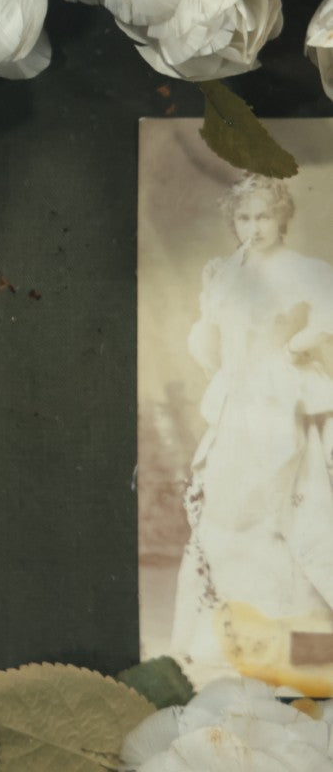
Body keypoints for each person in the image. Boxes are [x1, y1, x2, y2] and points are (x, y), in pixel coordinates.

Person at [171, 175, 333, 696]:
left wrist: (292, 351)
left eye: (264, 216)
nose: (254, 227)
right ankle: (232, 637)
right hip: (237, 401)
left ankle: (299, 643)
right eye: (244, 218)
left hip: (279, 399)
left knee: (283, 512)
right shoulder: (222, 272)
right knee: (228, 512)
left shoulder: (304, 269)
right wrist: (222, 369)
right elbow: (208, 335)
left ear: (282, 217)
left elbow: (328, 319)